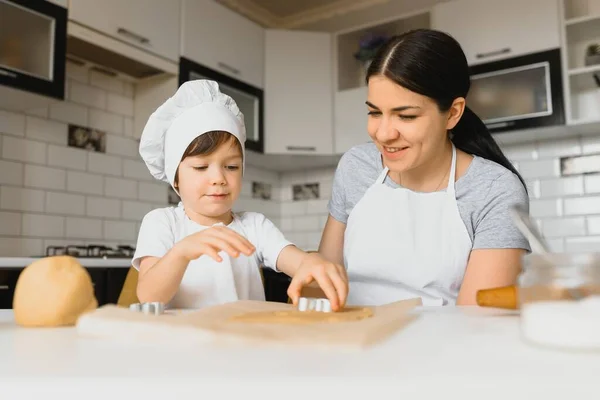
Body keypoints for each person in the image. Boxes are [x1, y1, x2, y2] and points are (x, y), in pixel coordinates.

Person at [301, 29, 531, 307]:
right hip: (349, 343)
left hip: (444, 348)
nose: (383, 134)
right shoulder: (356, 167)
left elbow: (476, 325)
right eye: (374, 112)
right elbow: (323, 288)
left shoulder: (495, 190)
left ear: (453, 113)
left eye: (406, 116)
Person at [132, 79, 348, 310]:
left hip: (245, 342)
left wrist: (311, 262)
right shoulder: (162, 223)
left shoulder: (254, 226)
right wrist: (181, 252)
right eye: (201, 167)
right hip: (185, 343)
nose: (219, 178)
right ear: (175, 178)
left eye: (232, 167)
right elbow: (148, 295)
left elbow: (296, 261)